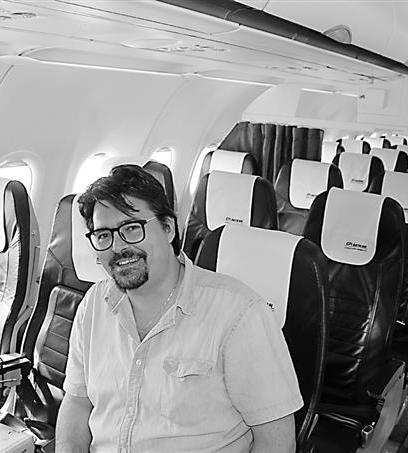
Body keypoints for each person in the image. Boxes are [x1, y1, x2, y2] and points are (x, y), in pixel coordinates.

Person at [55, 165, 302, 452]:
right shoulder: (93, 305)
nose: (118, 247)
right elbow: (77, 402)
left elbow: (277, 441)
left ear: (168, 228)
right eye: (103, 235)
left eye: (132, 228)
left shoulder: (240, 314)